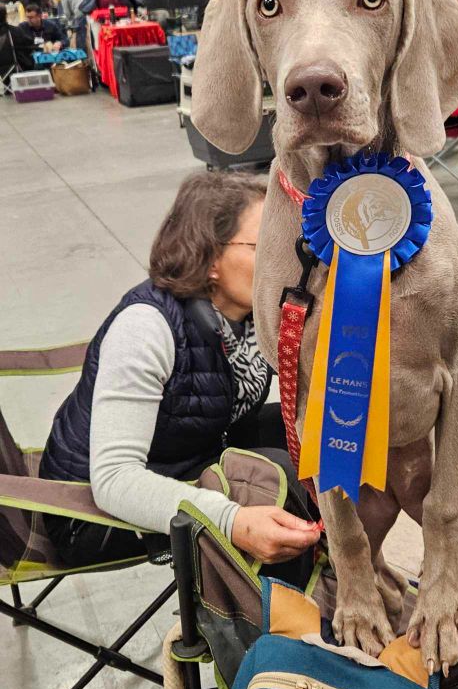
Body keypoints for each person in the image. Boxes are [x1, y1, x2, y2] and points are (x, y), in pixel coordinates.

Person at [39, 171, 321, 575]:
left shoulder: (250, 314)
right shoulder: (145, 328)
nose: (284, 262)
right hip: (88, 513)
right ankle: (281, 622)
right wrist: (231, 520)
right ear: (208, 259)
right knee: (274, 480)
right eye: (264, 247)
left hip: (185, 452)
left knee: (311, 430)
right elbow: (114, 481)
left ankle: (336, 565)